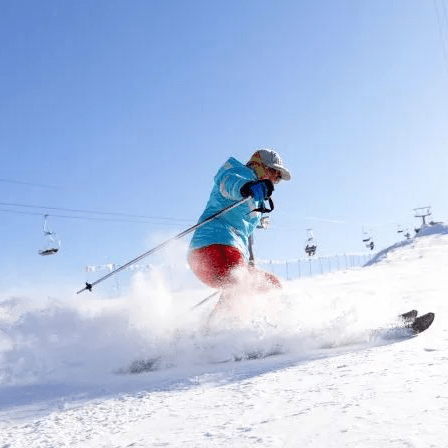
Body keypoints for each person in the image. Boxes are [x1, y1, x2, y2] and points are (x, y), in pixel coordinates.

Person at [188, 148, 291, 326]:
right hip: (212, 246)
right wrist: (247, 187)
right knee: (240, 282)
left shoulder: (256, 201)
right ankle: (216, 334)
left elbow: (247, 236)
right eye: (274, 172)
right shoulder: (237, 172)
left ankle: (276, 327)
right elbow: (229, 184)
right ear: (258, 165)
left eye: (279, 178)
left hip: (230, 254)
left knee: (270, 284)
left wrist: (250, 263)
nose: (275, 179)